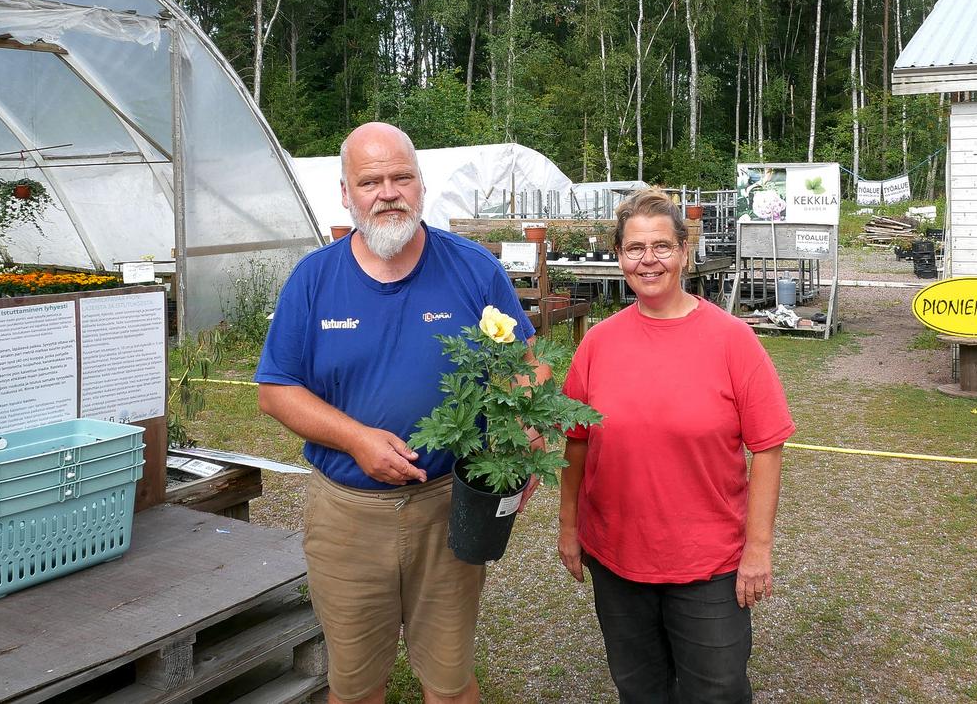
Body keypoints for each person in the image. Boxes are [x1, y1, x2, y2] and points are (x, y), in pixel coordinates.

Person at [256, 122, 541, 704]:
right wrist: (356, 438)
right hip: (348, 516)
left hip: (449, 507)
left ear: (420, 184)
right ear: (345, 194)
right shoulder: (315, 279)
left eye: (400, 176)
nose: (387, 192)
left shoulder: (472, 270)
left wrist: (522, 439)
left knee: (449, 678)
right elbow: (276, 389)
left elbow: (526, 367)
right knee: (356, 685)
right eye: (370, 181)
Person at [558, 188, 794, 704]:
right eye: (635, 248)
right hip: (617, 557)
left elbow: (768, 449)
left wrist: (757, 549)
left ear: (684, 252)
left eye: (662, 247)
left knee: (717, 690)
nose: (648, 260)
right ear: (619, 255)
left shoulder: (732, 339)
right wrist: (569, 526)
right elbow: (576, 446)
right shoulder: (599, 342)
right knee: (639, 688)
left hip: (707, 563)